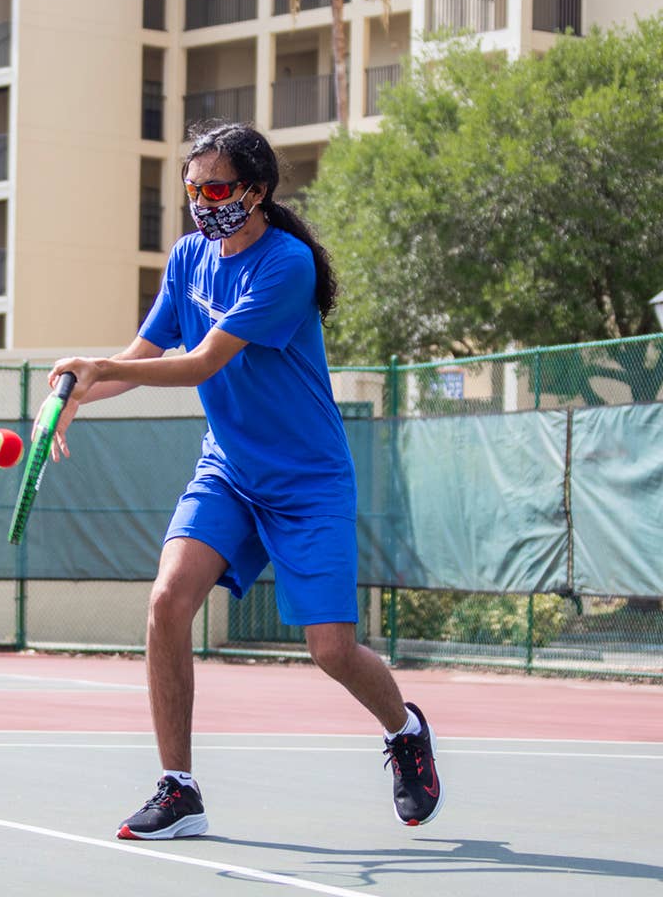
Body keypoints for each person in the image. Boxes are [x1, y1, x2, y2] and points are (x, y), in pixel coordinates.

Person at [43, 122, 444, 840]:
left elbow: (199, 362)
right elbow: (145, 350)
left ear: (257, 192)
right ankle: (179, 789)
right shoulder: (187, 258)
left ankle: (405, 730)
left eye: (218, 188)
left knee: (331, 651)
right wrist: (75, 394)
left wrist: (101, 370)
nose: (202, 202)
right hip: (227, 470)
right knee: (168, 600)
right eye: (193, 189)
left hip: (307, 483)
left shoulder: (284, 265)